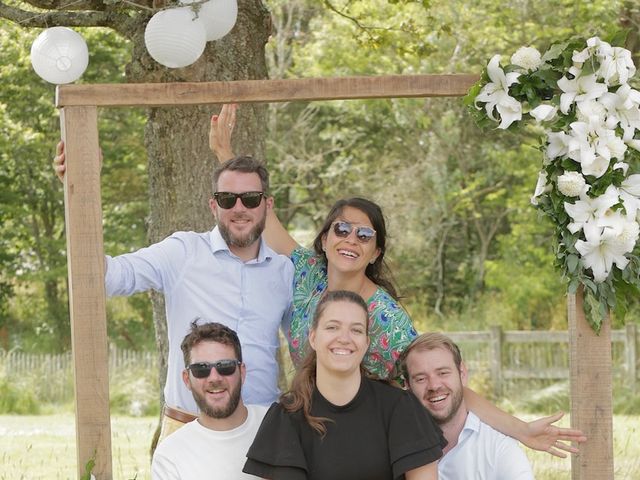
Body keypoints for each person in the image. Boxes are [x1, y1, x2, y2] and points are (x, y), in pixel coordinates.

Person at [210, 103, 587, 457]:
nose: (351, 240)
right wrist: (225, 153)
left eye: (364, 235)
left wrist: (520, 429)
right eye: (342, 229)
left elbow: (436, 379)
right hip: (301, 419)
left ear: (375, 253)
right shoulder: (306, 271)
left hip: (361, 438)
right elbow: (259, 213)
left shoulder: (386, 319)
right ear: (324, 239)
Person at [54, 144, 293, 440]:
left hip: (263, 431)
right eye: (227, 199)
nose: (239, 208)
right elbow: (107, 278)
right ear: (213, 206)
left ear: (267, 206)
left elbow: (309, 348)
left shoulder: (286, 273)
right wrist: (81, 190)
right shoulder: (183, 252)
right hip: (189, 429)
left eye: (251, 199)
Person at [243, 290, 445, 480]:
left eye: (356, 330)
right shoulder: (287, 415)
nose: (344, 338)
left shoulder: (400, 407)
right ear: (313, 338)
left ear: (366, 343)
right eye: (332, 327)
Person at [402, 333, 539, 479]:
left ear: (462, 374)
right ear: (407, 386)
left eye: (443, 373)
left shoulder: (499, 448)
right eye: (421, 379)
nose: (434, 386)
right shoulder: (396, 445)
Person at [152, 320, 268, 480]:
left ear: (241, 373)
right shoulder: (170, 456)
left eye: (225, 366)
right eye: (201, 369)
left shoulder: (277, 425)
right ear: (187, 379)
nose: (214, 378)